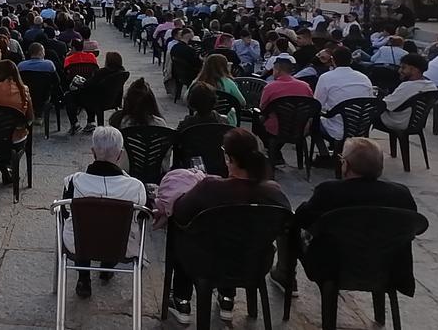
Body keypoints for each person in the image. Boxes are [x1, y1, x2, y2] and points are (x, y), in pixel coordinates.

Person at [166, 128, 290, 324]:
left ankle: (181, 298)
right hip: (255, 263)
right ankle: (226, 298)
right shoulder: (272, 193)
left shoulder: (210, 188)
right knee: (235, 237)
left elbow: (180, 212)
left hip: (208, 264)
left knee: (182, 232)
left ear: (229, 158)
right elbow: (285, 222)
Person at [275, 138, 417, 295]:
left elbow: (301, 219)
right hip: (386, 267)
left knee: (288, 224)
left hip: (333, 266)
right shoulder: (401, 194)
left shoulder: (329, 191)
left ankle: (285, 275)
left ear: (346, 165)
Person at [61, 126, 148, 299]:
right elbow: (141, 217)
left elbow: (64, 213)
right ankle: (108, 265)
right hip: (120, 247)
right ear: (120, 154)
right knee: (119, 228)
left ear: (93, 152)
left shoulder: (74, 182)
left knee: (80, 226)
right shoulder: (136, 187)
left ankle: (83, 278)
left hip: (79, 244)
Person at [313, 47, 374, 143]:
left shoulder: (326, 77)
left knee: (312, 123)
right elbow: (370, 102)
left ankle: (323, 154)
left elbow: (317, 104)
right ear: (351, 60)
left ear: (333, 60)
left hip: (336, 129)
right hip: (361, 128)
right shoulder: (364, 78)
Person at [255, 55, 313, 148]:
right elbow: (311, 107)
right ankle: (275, 151)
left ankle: (270, 149)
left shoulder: (270, 87)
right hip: (300, 128)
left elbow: (263, 108)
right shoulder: (305, 86)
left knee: (257, 117)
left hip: (277, 128)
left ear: (277, 70)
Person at [376, 54, 438, 132]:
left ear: (415, 70)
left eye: (403, 68)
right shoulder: (431, 86)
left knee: (366, 114)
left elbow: (386, 104)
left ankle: (361, 141)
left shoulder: (408, 86)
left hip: (397, 121)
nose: (399, 71)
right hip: (414, 123)